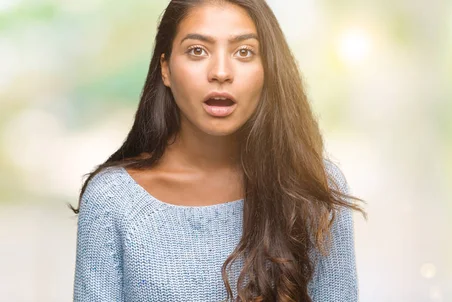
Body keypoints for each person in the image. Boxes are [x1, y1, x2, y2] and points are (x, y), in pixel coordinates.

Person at [70, 0, 366, 301]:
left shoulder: (314, 189)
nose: (221, 72)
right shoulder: (112, 200)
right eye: (197, 50)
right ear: (166, 69)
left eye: (244, 52)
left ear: (269, 69)